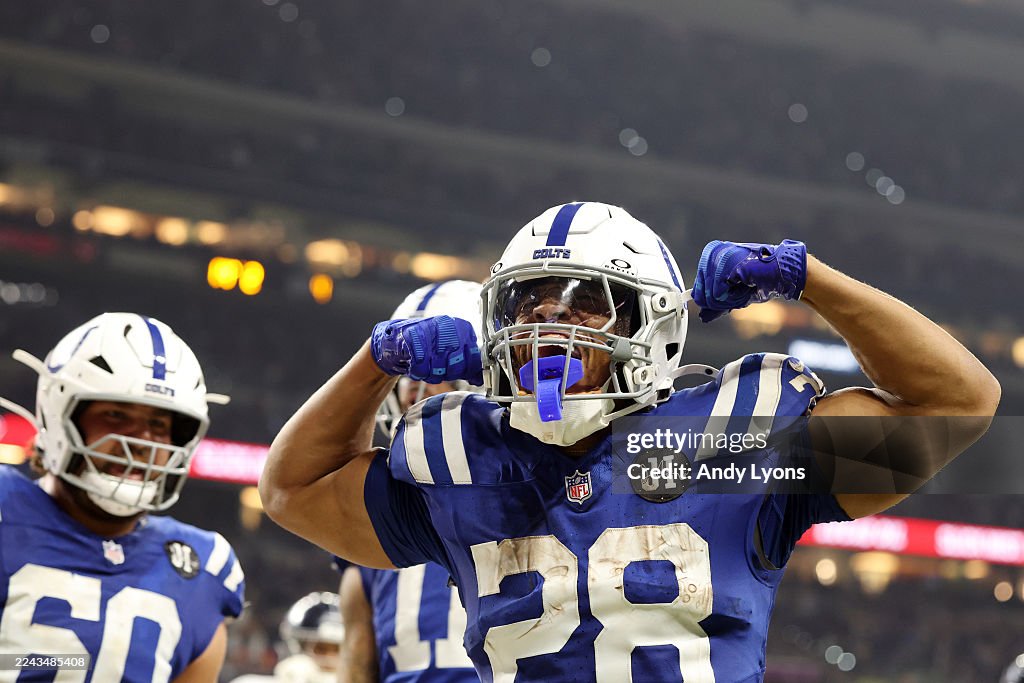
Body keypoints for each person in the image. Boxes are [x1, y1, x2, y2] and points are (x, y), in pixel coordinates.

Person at [260, 202, 1000, 682]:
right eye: (531, 302)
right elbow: (289, 489)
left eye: (588, 305)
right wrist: (378, 360)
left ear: (654, 325)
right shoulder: (465, 455)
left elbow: (959, 402)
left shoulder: (734, 439)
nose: (550, 324)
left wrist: (803, 276)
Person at [0, 312, 244, 682]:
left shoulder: (201, 567)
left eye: (159, 424)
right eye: (116, 414)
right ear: (60, 415)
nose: (140, 440)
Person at [338, 280, 479, 683]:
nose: (416, 387)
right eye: (406, 371)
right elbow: (357, 661)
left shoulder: (531, 489)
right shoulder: (379, 506)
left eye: (437, 366)